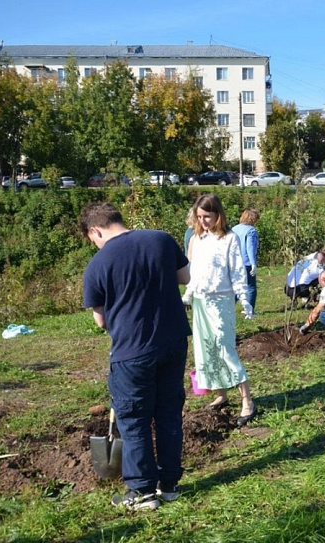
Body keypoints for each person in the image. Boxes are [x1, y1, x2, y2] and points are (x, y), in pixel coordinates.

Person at [81, 202, 191, 511]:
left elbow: (101, 321)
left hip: (132, 351)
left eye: (92, 239)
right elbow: (184, 277)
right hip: (172, 343)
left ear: (95, 230)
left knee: (134, 420)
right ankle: (169, 485)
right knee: (169, 412)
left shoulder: (98, 264)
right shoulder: (161, 240)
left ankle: (142, 493)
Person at [183, 194, 257, 426]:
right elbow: (193, 272)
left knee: (225, 348)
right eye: (200, 217)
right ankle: (221, 393)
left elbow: (237, 271)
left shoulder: (230, 238)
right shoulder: (197, 239)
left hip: (221, 300)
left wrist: (244, 298)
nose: (203, 221)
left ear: (218, 215)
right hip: (201, 301)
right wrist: (188, 295)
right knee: (206, 349)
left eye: (207, 217)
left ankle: (247, 401)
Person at [231, 209, 260, 311]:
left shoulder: (234, 229)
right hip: (246, 263)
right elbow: (250, 248)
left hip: (234, 262)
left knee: (236, 286)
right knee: (251, 287)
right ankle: (250, 309)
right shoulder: (251, 231)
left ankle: (230, 307)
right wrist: (253, 263)